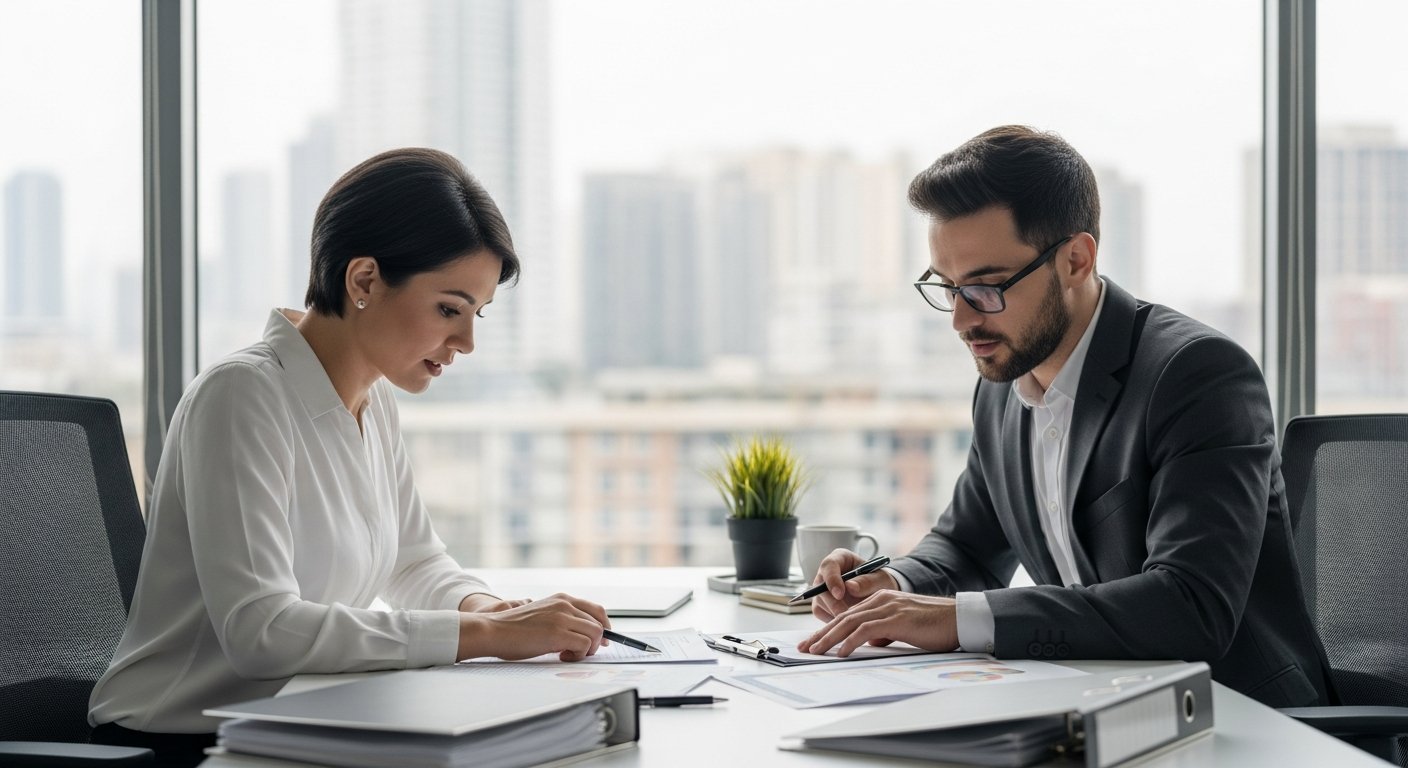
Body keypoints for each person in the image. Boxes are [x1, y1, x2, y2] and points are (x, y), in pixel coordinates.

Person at [89, 148, 613, 767]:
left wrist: (488, 607)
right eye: (449, 309)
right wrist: (489, 637)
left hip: (301, 720)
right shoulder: (241, 396)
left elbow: (415, 564)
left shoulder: (373, 400)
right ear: (363, 280)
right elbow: (263, 631)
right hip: (177, 743)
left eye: (477, 315)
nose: (467, 342)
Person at [799, 126, 1331, 708]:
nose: (961, 320)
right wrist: (892, 586)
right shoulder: (1004, 383)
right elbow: (967, 550)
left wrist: (954, 619)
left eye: (986, 287)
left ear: (1076, 260)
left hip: (1240, 717)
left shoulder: (1197, 375)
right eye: (947, 288)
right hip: (1096, 702)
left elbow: (1191, 606)